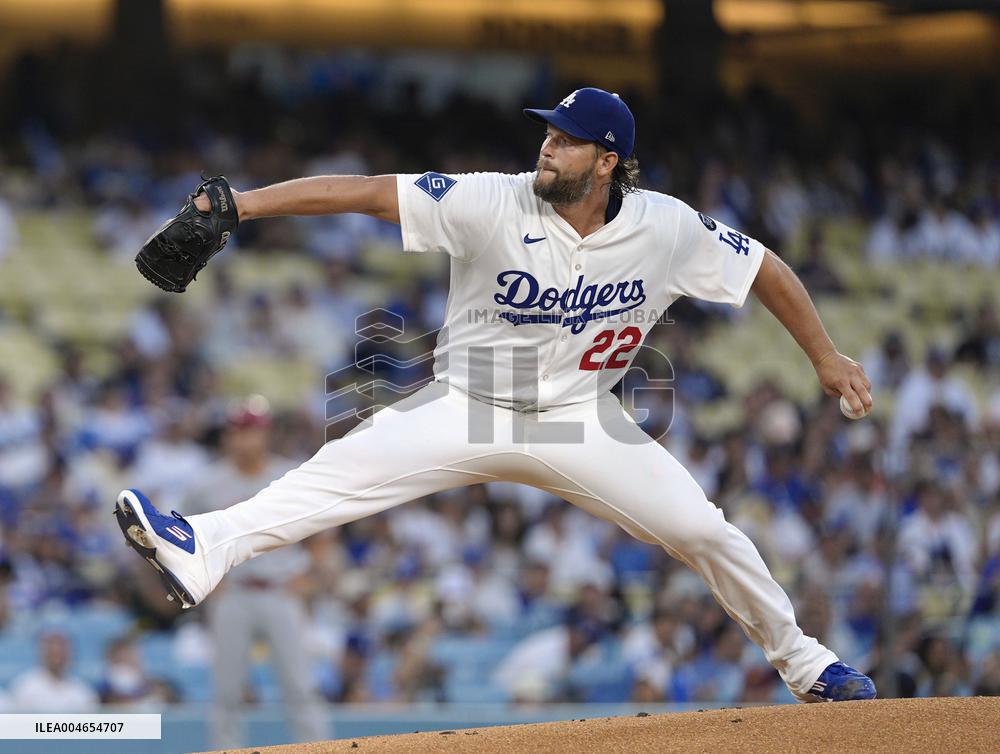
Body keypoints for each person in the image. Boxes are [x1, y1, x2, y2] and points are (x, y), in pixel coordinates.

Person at [115, 87, 876, 703]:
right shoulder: (493, 200)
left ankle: (806, 664)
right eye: (547, 133)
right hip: (466, 406)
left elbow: (765, 268)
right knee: (331, 480)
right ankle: (203, 547)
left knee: (705, 531)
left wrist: (824, 355)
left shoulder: (666, 227)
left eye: (567, 139)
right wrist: (244, 205)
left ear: (607, 160)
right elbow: (367, 193)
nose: (547, 145)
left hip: (580, 420)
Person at [180, 396, 327, 748]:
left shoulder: (290, 476)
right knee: (227, 691)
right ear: (228, 435)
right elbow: (184, 538)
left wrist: (307, 578)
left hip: (280, 590)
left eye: (252, 429)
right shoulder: (206, 483)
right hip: (233, 591)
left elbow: (323, 532)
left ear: (267, 433)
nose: (245, 438)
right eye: (239, 429)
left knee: (299, 688)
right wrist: (206, 583)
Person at [8, 631, 98, 712]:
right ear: (42, 654)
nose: (57, 658)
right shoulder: (24, 687)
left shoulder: (82, 691)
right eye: (52, 653)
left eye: (61, 653)